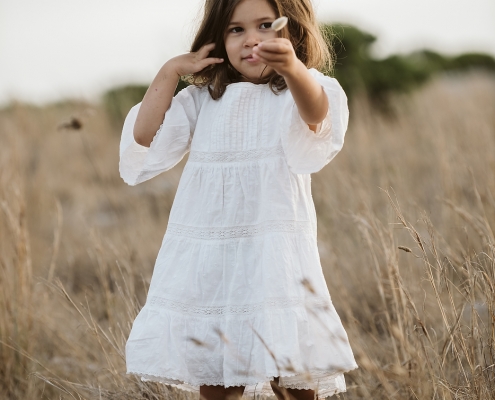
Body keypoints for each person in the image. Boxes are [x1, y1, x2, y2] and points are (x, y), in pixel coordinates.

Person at [119, 0, 358, 398]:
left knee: (291, 368)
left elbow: (317, 115)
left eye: (266, 25)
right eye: (235, 30)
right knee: (214, 370)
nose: (252, 40)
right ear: (218, 39)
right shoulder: (205, 99)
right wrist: (171, 71)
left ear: (292, 32)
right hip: (212, 254)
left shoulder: (296, 90)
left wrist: (293, 67)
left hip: (274, 252)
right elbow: (144, 136)